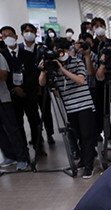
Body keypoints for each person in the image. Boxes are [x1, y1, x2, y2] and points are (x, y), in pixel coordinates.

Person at [39, 38, 97, 178]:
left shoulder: (77, 62)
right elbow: (42, 84)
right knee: (76, 137)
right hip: (69, 107)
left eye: (62, 50)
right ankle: (83, 161)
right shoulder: (52, 65)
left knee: (86, 137)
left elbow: (81, 80)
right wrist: (43, 70)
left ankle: (89, 166)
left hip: (84, 106)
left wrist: (62, 69)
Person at [0, 26, 43, 155]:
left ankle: (38, 146)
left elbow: (33, 74)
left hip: (28, 93)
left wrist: (23, 88)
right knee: (17, 123)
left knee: (34, 121)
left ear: (16, 36)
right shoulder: (3, 55)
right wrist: (15, 89)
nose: (8, 38)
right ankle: (23, 149)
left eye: (10, 35)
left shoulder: (28, 54)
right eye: (4, 36)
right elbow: (4, 76)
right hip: (12, 94)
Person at [19, 23, 55, 146]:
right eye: (26, 31)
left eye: (31, 31)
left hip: (42, 84)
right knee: (32, 114)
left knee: (46, 110)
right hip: (28, 86)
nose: (29, 33)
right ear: (22, 33)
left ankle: (50, 134)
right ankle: (37, 136)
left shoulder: (41, 48)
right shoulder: (19, 49)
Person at [0, 52, 29, 170]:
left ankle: (22, 157)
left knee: (12, 128)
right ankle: (10, 155)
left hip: (2, 99)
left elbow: (4, 75)